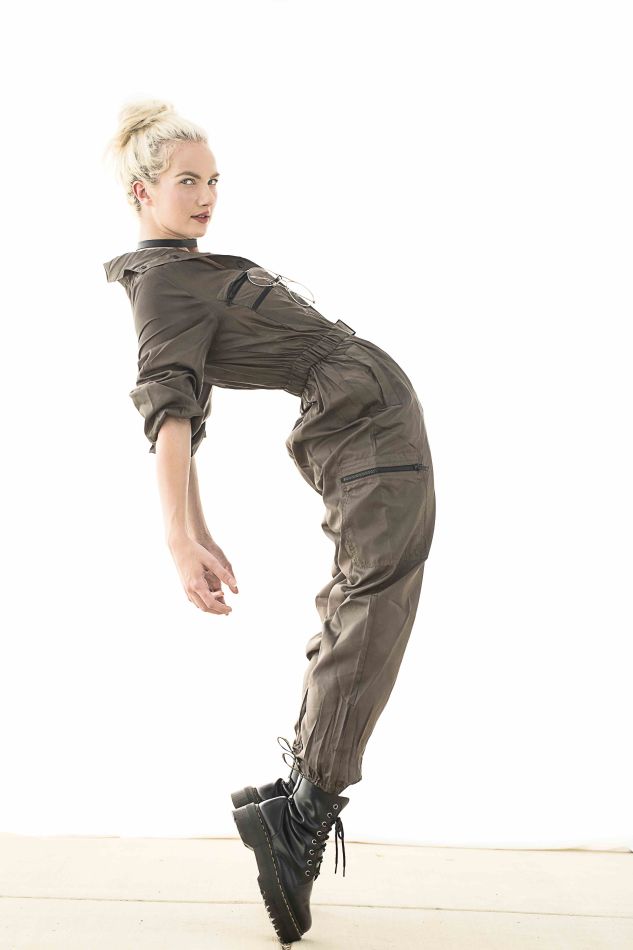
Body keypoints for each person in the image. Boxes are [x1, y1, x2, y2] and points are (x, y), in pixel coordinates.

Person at [103, 98, 436, 945]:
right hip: (366, 421)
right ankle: (303, 810)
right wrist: (178, 539)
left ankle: (298, 801)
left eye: (213, 180)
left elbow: (189, 413)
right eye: (187, 181)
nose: (206, 196)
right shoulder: (165, 283)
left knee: (366, 595)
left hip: (365, 416)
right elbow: (169, 417)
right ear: (142, 191)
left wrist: (200, 527)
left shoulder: (181, 273)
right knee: (374, 597)